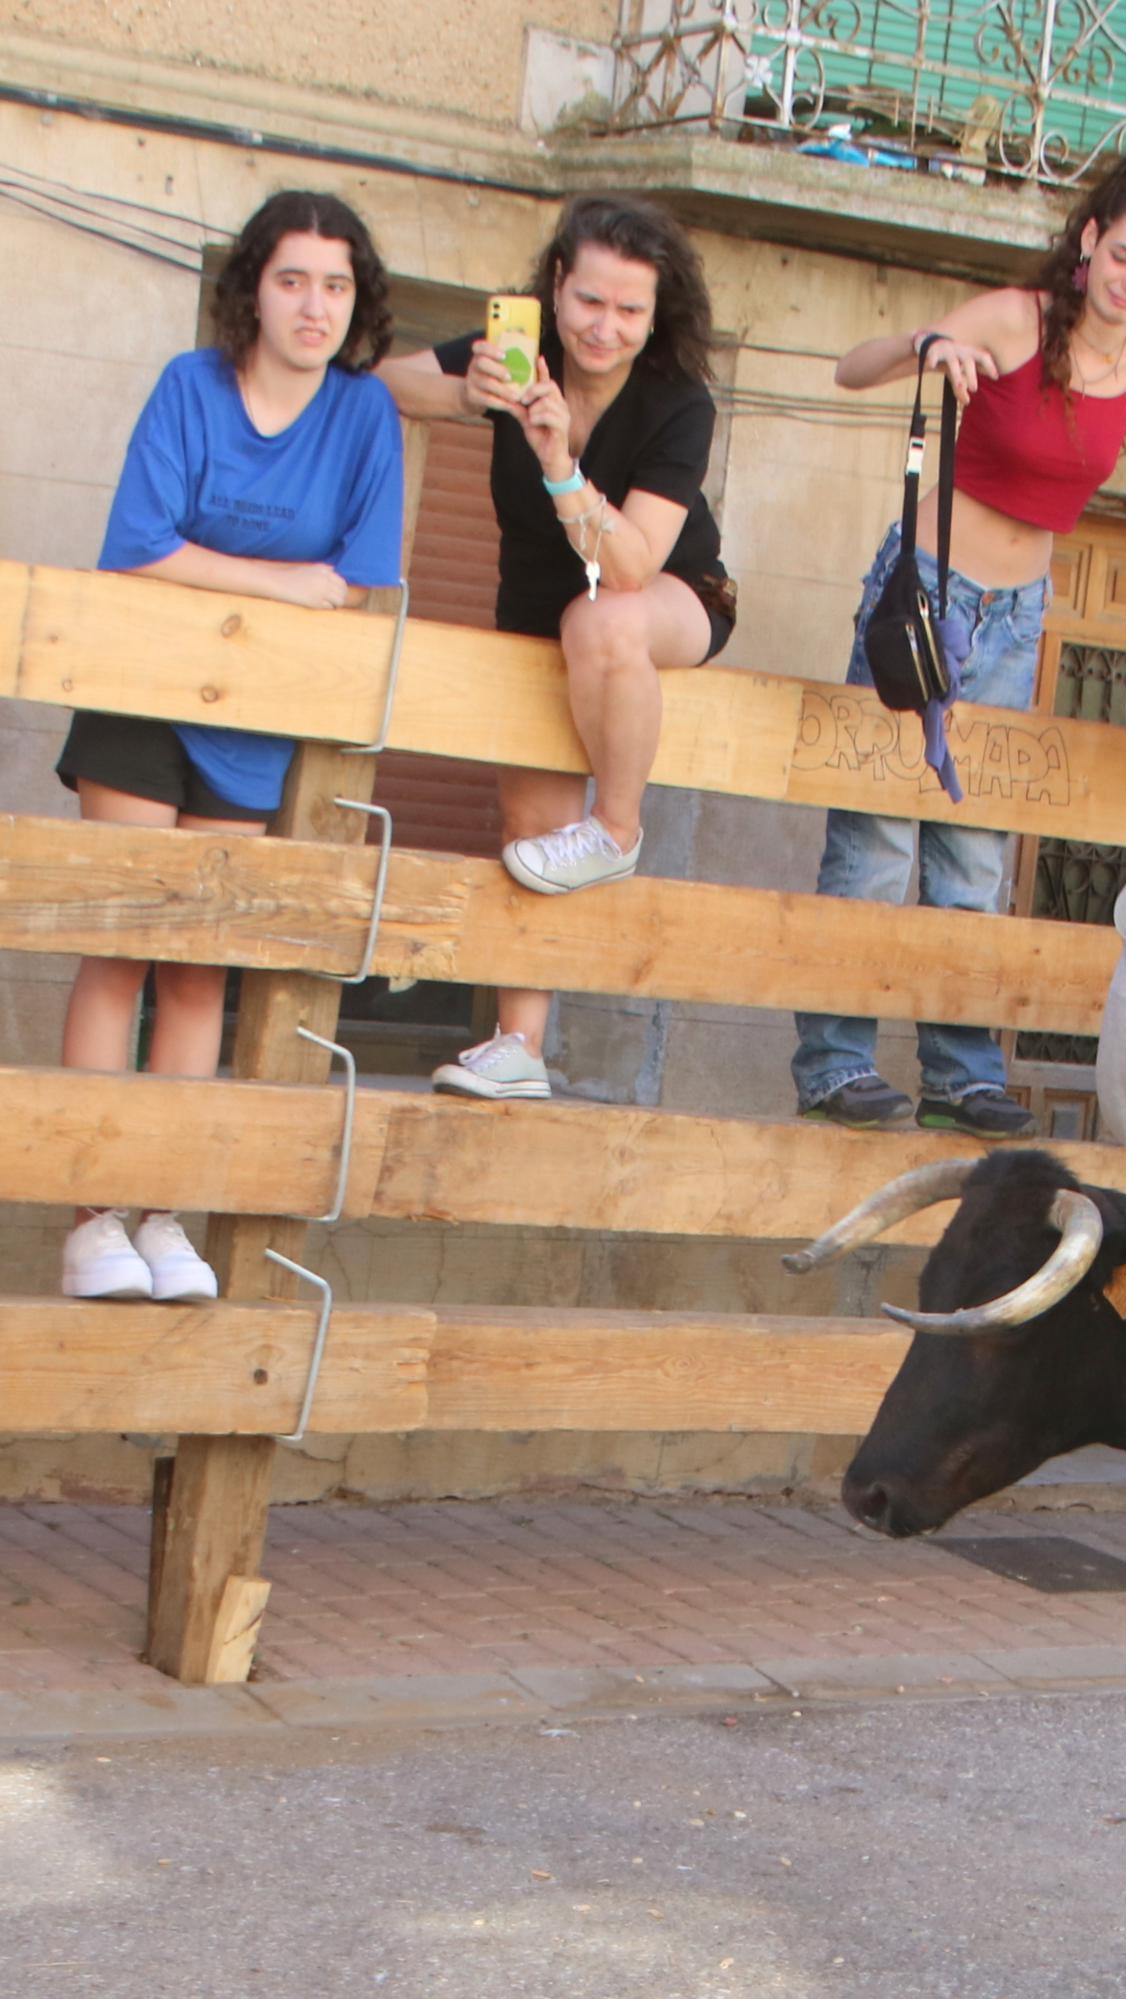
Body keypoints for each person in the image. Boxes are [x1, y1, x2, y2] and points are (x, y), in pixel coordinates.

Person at [789, 150, 1126, 1138]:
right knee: (874, 836)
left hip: (1017, 612)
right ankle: (834, 1061)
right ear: (1086, 243)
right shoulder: (1016, 317)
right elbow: (851, 367)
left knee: (972, 850)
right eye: (1121, 257)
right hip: (925, 589)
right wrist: (927, 344)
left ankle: (961, 1072)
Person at [50, 191, 406, 1304]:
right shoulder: (187, 388)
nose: (313, 305)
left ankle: (162, 1211)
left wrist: (298, 591)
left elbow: (358, 583)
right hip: (140, 696)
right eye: (292, 279)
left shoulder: (362, 419)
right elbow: (136, 552)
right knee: (123, 946)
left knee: (202, 969)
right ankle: (89, 1216)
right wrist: (276, 583)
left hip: (252, 721)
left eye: (335, 285)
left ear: (357, 305)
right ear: (251, 287)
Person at [379, 193, 734, 1101]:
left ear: (656, 319)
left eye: (628, 310)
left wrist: (558, 461)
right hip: (539, 604)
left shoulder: (676, 402)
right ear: (554, 288)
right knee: (531, 834)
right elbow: (384, 383)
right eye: (588, 302)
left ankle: (616, 826)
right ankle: (520, 1046)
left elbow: (633, 563)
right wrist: (464, 391)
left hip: (667, 596)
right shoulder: (513, 353)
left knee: (605, 622)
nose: (603, 327)